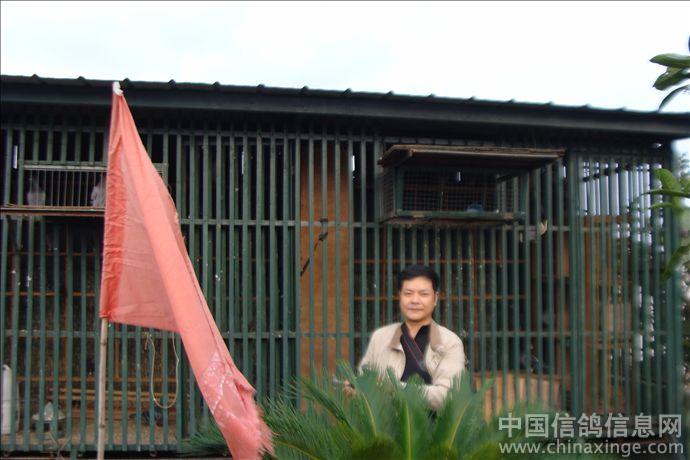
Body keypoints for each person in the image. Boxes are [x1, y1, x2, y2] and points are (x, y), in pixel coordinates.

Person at [357, 264, 466, 410]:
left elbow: (448, 396)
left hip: (434, 425)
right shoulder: (381, 337)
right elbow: (364, 381)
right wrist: (354, 388)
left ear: (435, 298)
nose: (415, 300)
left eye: (423, 294)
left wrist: (393, 387)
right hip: (384, 425)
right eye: (408, 293)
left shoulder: (450, 342)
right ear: (399, 296)